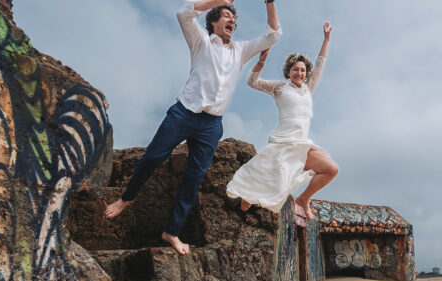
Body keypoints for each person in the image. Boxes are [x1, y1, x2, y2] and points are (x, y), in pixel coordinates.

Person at [104, 0, 281, 255]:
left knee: (194, 178)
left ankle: (171, 232)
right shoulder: (201, 41)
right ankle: (126, 198)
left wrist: (270, 2)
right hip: (184, 113)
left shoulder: (240, 50)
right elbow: (183, 13)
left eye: (234, 18)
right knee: (153, 156)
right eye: (227, 16)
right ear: (213, 22)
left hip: (212, 125)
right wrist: (221, 1)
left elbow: (273, 34)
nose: (232, 20)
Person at [226, 22, 338, 220]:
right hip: (283, 144)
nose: (300, 73)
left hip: (302, 145)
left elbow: (321, 62)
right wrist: (261, 62)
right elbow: (252, 82)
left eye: (303, 70)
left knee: (331, 169)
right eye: (296, 70)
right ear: (288, 72)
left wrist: (326, 39)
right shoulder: (279, 87)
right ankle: (240, 213)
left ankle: (303, 199)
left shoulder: (307, 88)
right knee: (247, 201)